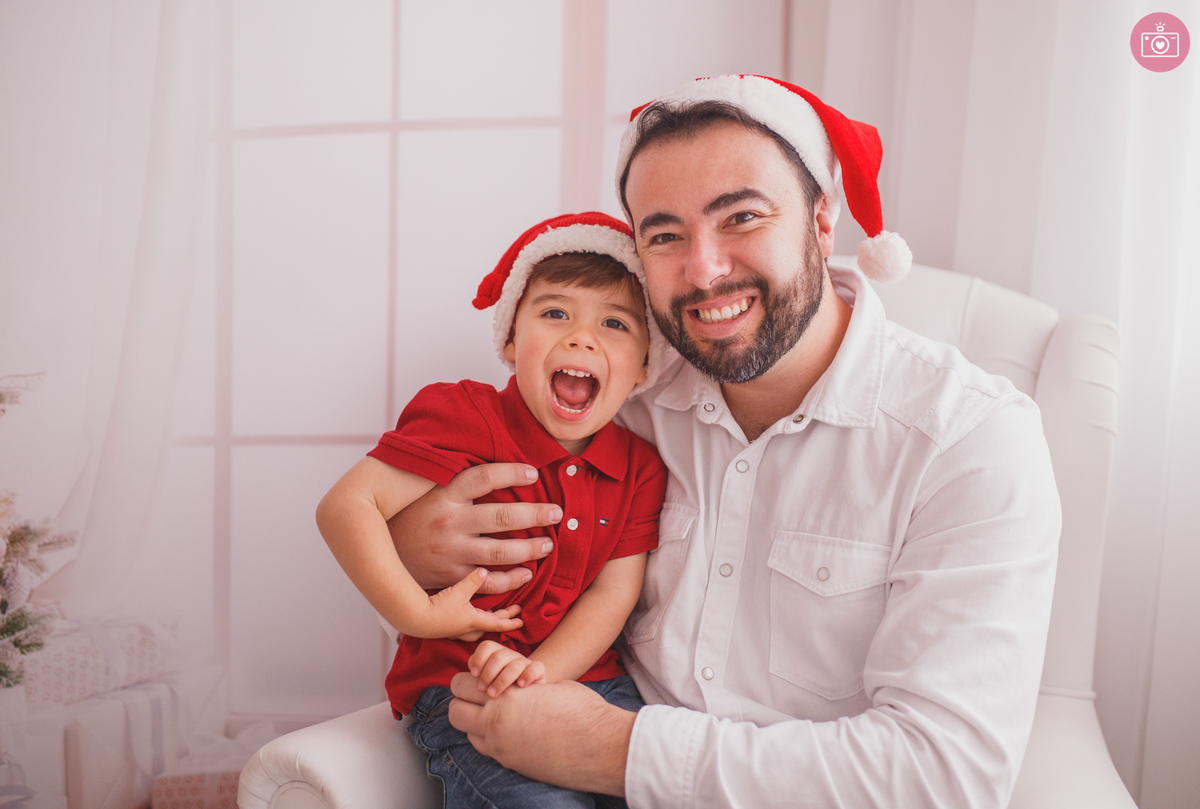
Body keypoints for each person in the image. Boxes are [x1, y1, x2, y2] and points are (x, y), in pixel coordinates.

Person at [387, 76, 1061, 808]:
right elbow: (475, 544)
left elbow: (942, 777)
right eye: (665, 236)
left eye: (741, 217)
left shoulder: (969, 440)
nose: (704, 270)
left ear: (822, 221)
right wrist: (415, 542)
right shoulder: (620, 398)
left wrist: (612, 749)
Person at [317, 211, 669, 808]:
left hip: (594, 685)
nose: (581, 338)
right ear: (509, 340)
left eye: (614, 323)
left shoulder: (641, 467)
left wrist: (543, 674)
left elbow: (612, 593)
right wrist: (420, 615)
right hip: (466, 687)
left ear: (642, 369)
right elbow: (347, 505)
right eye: (555, 313)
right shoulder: (465, 415)